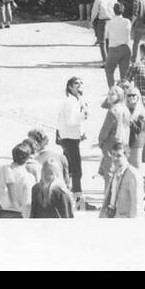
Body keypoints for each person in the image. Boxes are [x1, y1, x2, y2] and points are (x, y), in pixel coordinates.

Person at [55, 77, 88, 208]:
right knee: (76, 170)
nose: (79, 85)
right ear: (70, 87)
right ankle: (79, 202)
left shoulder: (76, 100)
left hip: (71, 137)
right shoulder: (70, 102)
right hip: (69, 139)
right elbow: (71, 121)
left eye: (81, 83)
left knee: (69, 169)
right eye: (76, 83)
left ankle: (67, 200)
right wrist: (84, 114)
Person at [0, 142, 35, 218]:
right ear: (28, 158)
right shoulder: (28, 177)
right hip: (19, 216)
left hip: (0, 214)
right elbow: (28, 203)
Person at [99, 142, 141, 218]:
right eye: (113, 154)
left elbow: (136, 203)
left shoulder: (132, 174)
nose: (114, 158)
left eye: (118, 156)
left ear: (126, 156)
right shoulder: (115, 171)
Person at [103, 1, 133, 87]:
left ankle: (112, 89)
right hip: (125, 47)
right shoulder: (127, 21)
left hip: (114, 48)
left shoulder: (109, 23)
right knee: (124, 74)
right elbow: (128, 35)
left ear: (113, 11)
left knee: (109, 70)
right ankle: (124, 91)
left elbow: (106, 36)